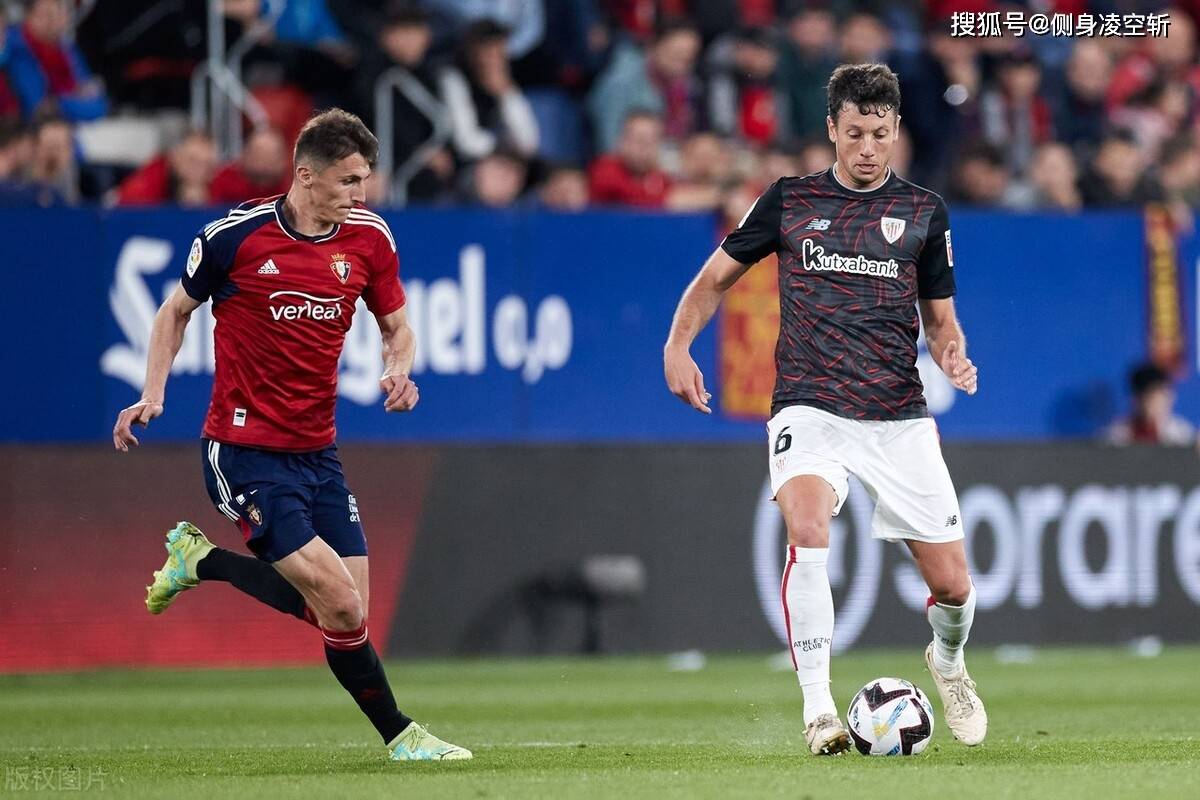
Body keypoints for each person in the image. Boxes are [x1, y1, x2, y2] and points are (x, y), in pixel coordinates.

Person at [111, 108, 471, 762]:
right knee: (339, 604)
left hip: (318, 452)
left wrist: (399, 369)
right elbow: (175, 312)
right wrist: (152, 393)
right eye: (349, 180)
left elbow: (398, 327)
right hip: (243, 452)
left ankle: (201, 561)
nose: (361, 193)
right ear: (306, 176)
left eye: (365, 179)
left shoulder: (369, 238)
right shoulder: (235, 237)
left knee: (348, 611)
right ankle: (402, 736)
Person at [663, 64, 986, 756]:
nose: (868, 148)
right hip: (809, 405)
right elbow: (714, 279)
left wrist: (953, 354)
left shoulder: (924, 212)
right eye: (855, 133)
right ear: (832, 129)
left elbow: (940, 322)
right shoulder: (790, 200)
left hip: (897, 414)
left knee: (954, 586)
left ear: (896, 131)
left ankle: (949, 661)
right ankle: (819, 713)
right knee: (807, 529)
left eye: (880, 134)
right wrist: (677, 345)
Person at [1104, 362, 1196, 446]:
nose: (1157, 404)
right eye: (1151, 397)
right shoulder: (1116, 434)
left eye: (1162, 396)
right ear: (1136, 399)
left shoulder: (1183, 434)